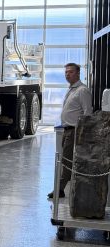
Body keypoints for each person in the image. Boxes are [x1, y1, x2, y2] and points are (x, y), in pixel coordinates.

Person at [48, 63, 93, 199]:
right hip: (67, 130)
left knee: (67, 161)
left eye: (71, 72)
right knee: (64, 160)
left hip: (74, 131)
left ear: (78, 73)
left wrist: (82, 133)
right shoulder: (72, 89)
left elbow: (87, 113)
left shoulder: (82, 90)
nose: (67, 74)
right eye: (66, 72)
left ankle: (59, 189)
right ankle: (61, 188)